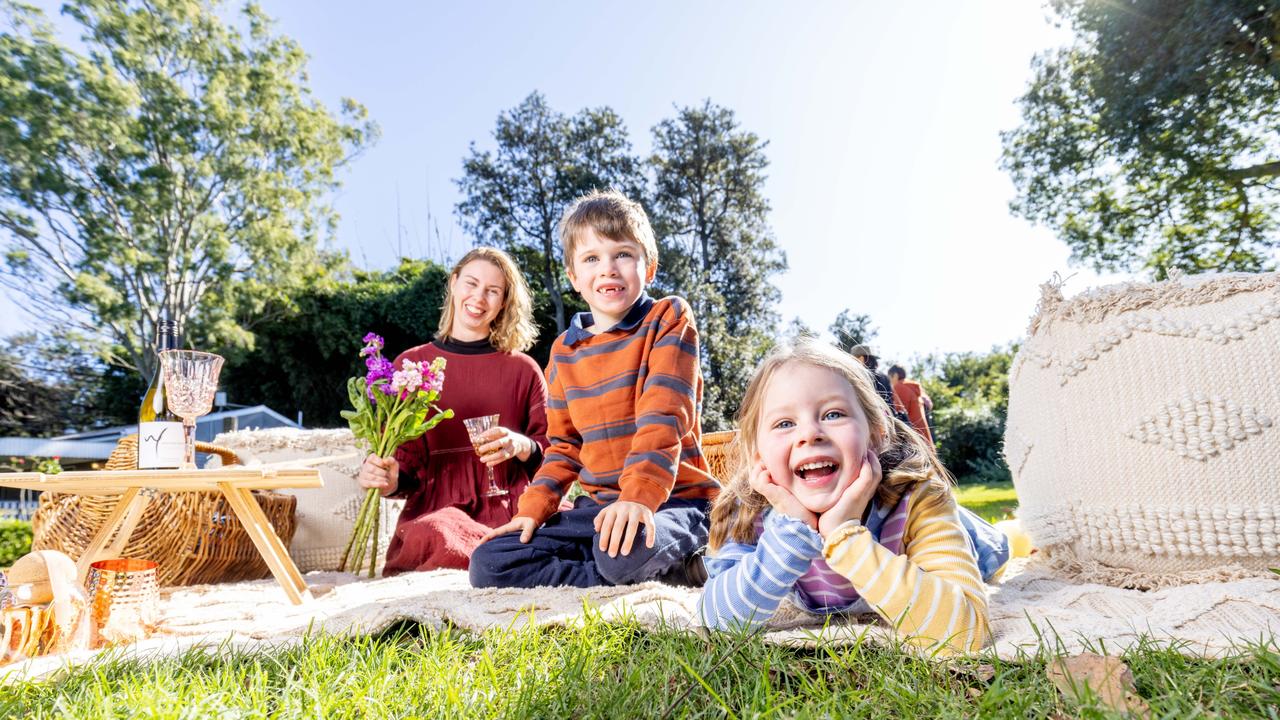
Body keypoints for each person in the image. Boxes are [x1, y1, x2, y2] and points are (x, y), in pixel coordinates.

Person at [469, 189, 719, 589]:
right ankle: (622, 572)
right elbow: (563, 448)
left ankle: (676, 558)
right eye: (591, 259)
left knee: (625, 553)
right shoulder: (564, 351)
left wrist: (637, 498)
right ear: (574, 278)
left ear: (648, 267)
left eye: (623, 254)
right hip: (599, 511)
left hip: (675, 503)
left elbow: (664, 417)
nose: (608, 269)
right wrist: (532, 510)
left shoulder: (668, 318)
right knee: (490, 563)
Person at [697, 338, 1009, 655]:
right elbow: (717, 621)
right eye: (785, 423)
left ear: (876, 434)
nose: (809, 434)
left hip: (969, 542)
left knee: (992, 545)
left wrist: (844, 536)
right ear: (756, 453)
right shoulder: (749, 513)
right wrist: (792, 531)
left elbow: (963, 633)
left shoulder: (916, 497)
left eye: (833, 414)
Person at [356, 247, 550, 575]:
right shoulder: (412, 366)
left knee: (567, 524)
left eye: (493, 291)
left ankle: (495, 556)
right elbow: (404, 466)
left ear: (504, 302)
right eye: (471, 284)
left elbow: (554, 453)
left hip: (512, 508)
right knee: (435, 533)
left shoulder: (523, 369)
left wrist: (520, 446)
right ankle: (501, 560)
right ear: (454, 283)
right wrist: (387, 479)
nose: (479, 297)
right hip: (438, 512)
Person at [849, 344, 908, 424]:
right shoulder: (885, 377)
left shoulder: (860, 377)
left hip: (869, 422)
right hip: (887, 423)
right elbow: (890, 404)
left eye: (853, 360)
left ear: (861, 359)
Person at [888, 364, 933, 443]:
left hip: (915, 437)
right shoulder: (912, 387)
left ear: (895, 375)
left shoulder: (899, 387)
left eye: (889, 378)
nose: (890, 382)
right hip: (923, 434)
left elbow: (899, 413)